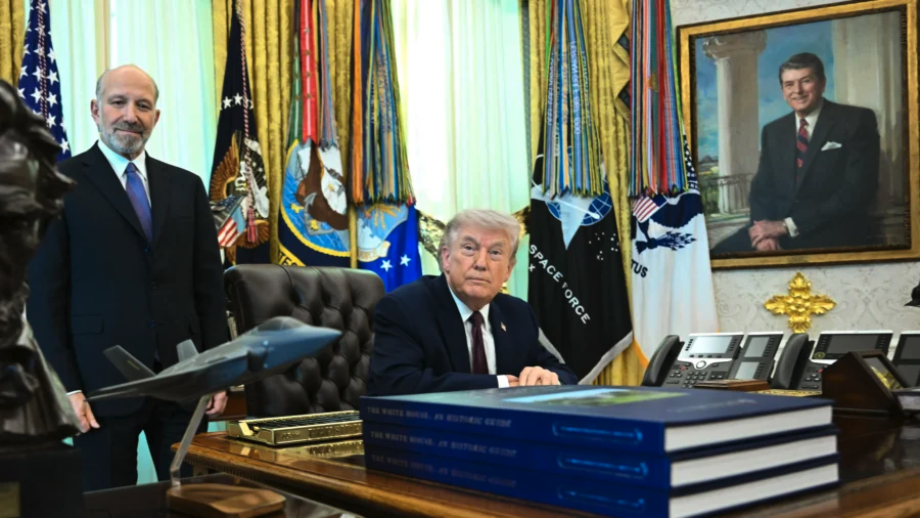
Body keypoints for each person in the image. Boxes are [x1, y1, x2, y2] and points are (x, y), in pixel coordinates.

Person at [26, 65, 228, 491]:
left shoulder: (186, 186)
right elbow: (45, 298)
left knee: (194, 500)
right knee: (108, 506)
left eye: (143, 105)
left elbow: (208, 289)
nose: (130, 114)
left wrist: (217, 370)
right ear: (96, 110)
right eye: (118, 102)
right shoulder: (57, 185)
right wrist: (66, 387)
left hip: (184, 382)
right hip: (100, 386)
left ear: (156, 116)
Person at [368, 209, 578, 396]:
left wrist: (546, 377)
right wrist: (500, 384)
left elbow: (564, 374)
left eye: (495, 253)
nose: (480, 263)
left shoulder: (517, 313)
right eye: (469, 248)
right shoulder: (404, 308)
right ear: (447, 258)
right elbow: (395, 384)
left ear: (508, 270)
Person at [712, 52, 880, 253]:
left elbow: (856, 192)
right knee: (716, 256)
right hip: (776, 231)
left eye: (806, 81)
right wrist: (763, 231)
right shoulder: (773, 131)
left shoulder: (855, 120)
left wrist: (785, 226)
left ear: (822, 83)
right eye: (789, 84)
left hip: (830, 230)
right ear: (783, 90)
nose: (797, 91)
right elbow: (761, 189)